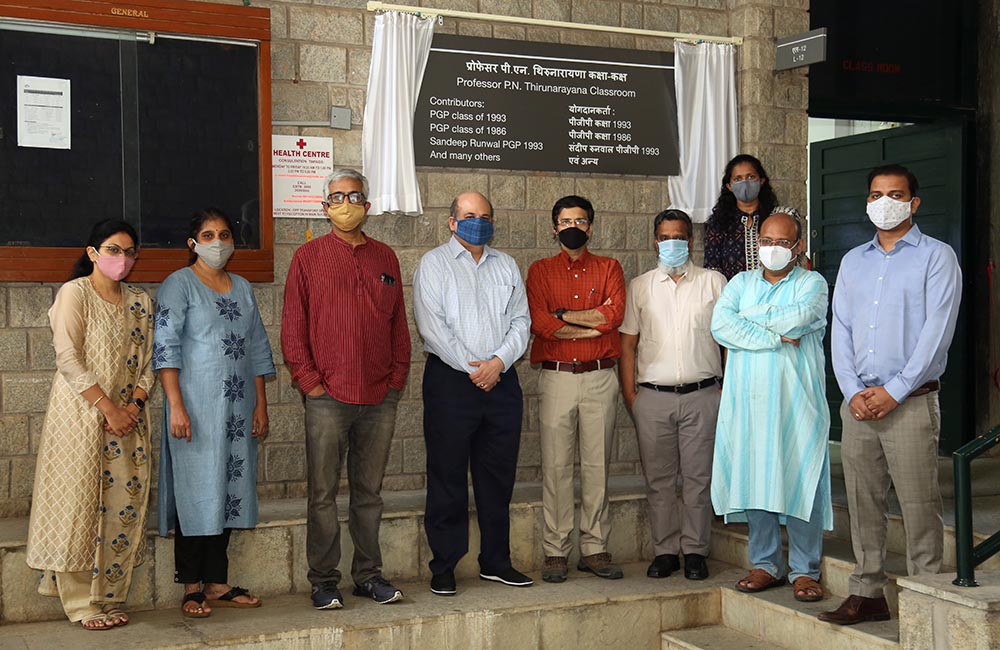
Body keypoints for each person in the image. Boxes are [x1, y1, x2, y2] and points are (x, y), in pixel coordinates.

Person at [819, 165, 962, 625]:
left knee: (919, 505)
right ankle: (868, 591)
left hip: (911, 401)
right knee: (863, 502)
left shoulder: (937, 257)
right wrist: (852, 391)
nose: (885, 202)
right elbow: (839, 330)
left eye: (896, 194)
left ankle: (927, 596)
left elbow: (936, 334)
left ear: (914, 203)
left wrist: (895, 391)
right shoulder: (853, 261)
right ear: (866, 202)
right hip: (859, 403)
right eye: (877, 194)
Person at [281, 168, 410, 609]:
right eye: (337, 197)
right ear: (325, 206)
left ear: (367, 205)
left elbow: (399, 327)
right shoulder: (308, 257)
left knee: (369, 494)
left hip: (380, 397)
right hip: (327, 397)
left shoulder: (386, 258)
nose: (346, 203)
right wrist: (310, 383)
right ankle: (323, 580)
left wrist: (396, 379)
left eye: (354, 195)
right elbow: (293, 329)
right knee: (322, 495)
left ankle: (368, 575)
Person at [26, 220, 154, 630]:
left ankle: (108, 596)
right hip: (79, 416)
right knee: (78, 505)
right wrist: (107, 408)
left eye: (130, 251)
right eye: (113, 250)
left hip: (128, 420)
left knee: (121, 505)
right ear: (93, 253)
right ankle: (81, 604)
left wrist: (132, 405)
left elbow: (150, 360)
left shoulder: (140, 301)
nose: (123, 259)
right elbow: (68, 357)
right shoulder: (74, 293)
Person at [154, 208, 275, 618]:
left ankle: (217, 582)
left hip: (238, 410)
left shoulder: (241, 286)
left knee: (227, 489)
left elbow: (257, 347)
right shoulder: (178, 285)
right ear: (193, 243)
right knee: (196, 491)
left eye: (224, 234)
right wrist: (175, 406)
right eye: (208, 234)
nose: (218, 241)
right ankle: (191, 586)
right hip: (193, 409)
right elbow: (165, 347)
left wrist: (261, 404)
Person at [413, 191, 533, 596]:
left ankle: (496, 562)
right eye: (468, 215)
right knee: (447, 476)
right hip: (451, 382)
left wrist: (497, 363)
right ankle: (444, 565)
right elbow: (433, 327)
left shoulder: (507, 266)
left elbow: (521, 321)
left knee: (497, 477)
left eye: (484, 216)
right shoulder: (433, 264)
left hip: (502, 381)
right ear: (452, 222)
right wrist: (475, 369)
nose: (476, 222)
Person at [710, 209, 832, 604]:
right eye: (766, 241)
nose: (773, 248)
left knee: (802, 479)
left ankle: (804, 571)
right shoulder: (741, 283)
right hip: (748, 403)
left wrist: (751, 323)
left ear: (799, 247)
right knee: (755, 477)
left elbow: (803, 316)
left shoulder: (812, 283)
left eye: (782, 242)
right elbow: (721, 325)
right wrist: (778, 336)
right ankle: (765, 564)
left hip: (797, 404)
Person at [619, 209, 726, 581]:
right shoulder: (641, 286)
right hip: (652, 398)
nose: (672, 243)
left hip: (703, 395)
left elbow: (726, 340)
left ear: (691, 241)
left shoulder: (714, 283)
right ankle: (665, 550)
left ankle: (695, 551)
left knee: (699, 479)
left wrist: (724, 386)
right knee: (659, 481)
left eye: (679, 236)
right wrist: (632, 396)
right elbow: (628, 345)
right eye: (665, 237)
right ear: (655, 241)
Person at [525, 195, 626, 583]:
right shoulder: (540, 271)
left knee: (598, 465)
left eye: (580, 221)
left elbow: (612, 317)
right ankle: (556, 550)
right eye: (566, 221)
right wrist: (589, 323)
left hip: (601, 376)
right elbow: (540, 324)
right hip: (557, 378)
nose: (573, 227)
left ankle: (595, 547)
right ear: (554, 228)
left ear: (591, 227)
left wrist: (564, 316)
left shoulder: (609, 267)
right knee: (556, 466)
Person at [704, 154, 779, 280]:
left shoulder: (777, 218)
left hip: (774, 294)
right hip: (734, 296)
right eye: (738, 179)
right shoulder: (718, 223)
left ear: (761, 181)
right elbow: (712, 270)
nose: (745, 183)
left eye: (750, 177)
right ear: (729, 186)